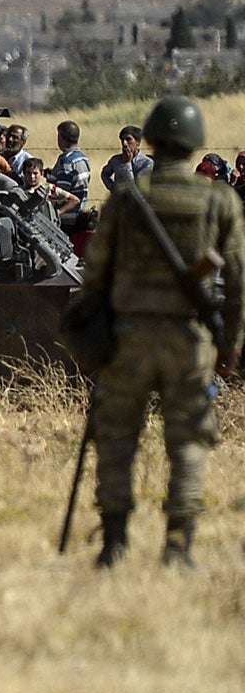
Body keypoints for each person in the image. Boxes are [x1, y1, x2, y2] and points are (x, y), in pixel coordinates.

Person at [78, 96, 245, 570]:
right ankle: (179, 546)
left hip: (128, 336)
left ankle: (113, 542)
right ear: (195, 144)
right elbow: (238, 280)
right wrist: (230, 346)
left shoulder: (129, 198)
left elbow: (95, 272)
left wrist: (94, 333)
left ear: (149, 140)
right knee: (189, 442)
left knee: (116, 438)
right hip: (191, 339)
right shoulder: (219, 200)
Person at [101, 125, 155, 193]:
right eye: (122, 140)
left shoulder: (146, 163)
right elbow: (105, 174)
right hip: (118, 201)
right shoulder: (116, 160)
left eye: (128, 139)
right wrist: (113, 188)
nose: (124, 143)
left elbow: (135, 188)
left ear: (138, 142)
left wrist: (127, 164)